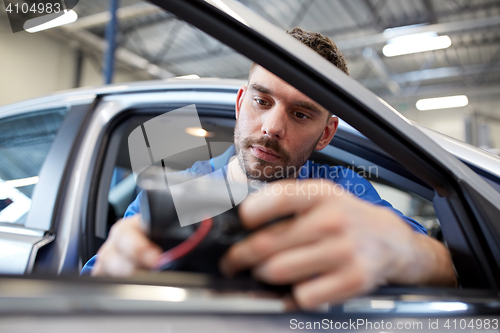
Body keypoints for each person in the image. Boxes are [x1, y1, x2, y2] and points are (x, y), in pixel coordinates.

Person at [85, 28, 457, 309]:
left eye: (300, 113)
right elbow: (91, 285)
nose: (273, 127)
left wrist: (406, 252)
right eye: (262, 101)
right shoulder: (179, 192)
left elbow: (445, 272)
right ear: (240, 104)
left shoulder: (343, 195)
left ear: (326, 133)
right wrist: (112, 274)